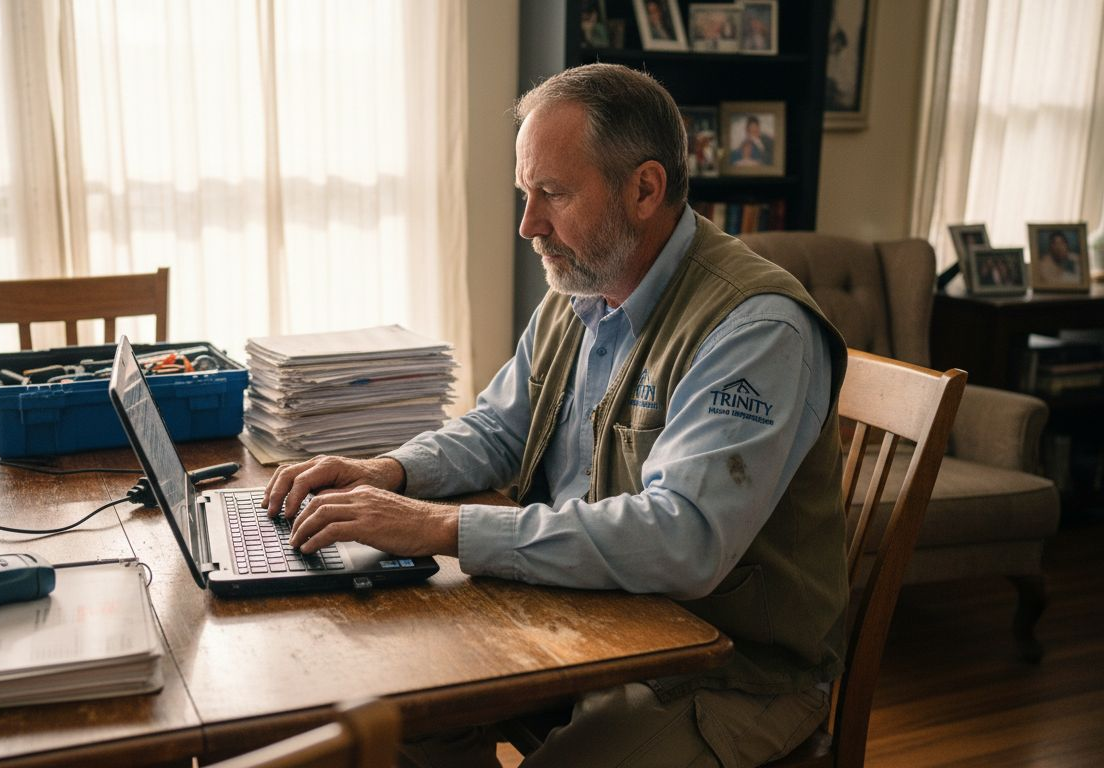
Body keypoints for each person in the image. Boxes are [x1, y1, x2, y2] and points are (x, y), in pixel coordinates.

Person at [263, 63, 848, 768]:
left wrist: (440, 527)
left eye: (554, 193)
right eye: (525, 192)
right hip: (585, 623)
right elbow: (498, 431)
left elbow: (684, 538)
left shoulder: (756, 329)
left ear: (645, 189)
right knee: (402, 711)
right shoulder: (582, 289)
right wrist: (387, 472)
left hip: (722, 674)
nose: (528, 225)